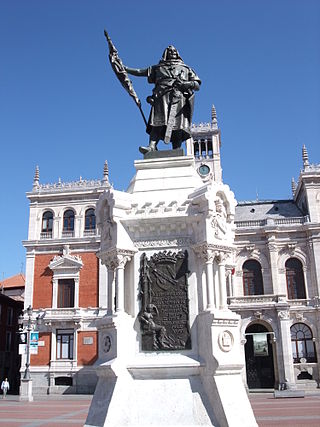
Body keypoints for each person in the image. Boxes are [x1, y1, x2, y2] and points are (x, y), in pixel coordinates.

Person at [125, 45, 201, 154]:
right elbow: (139, 71)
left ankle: (176, 149)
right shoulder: (158, 68)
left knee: (177, 124)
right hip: (161, 97)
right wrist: (124, 68)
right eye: (169, 51)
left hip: (178, 97)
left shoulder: (186, 69)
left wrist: (186, 83)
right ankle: (151, 146)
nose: (172, 52)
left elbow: (197, 85)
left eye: (174, 51)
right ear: (165, 54)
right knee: (157, 121)